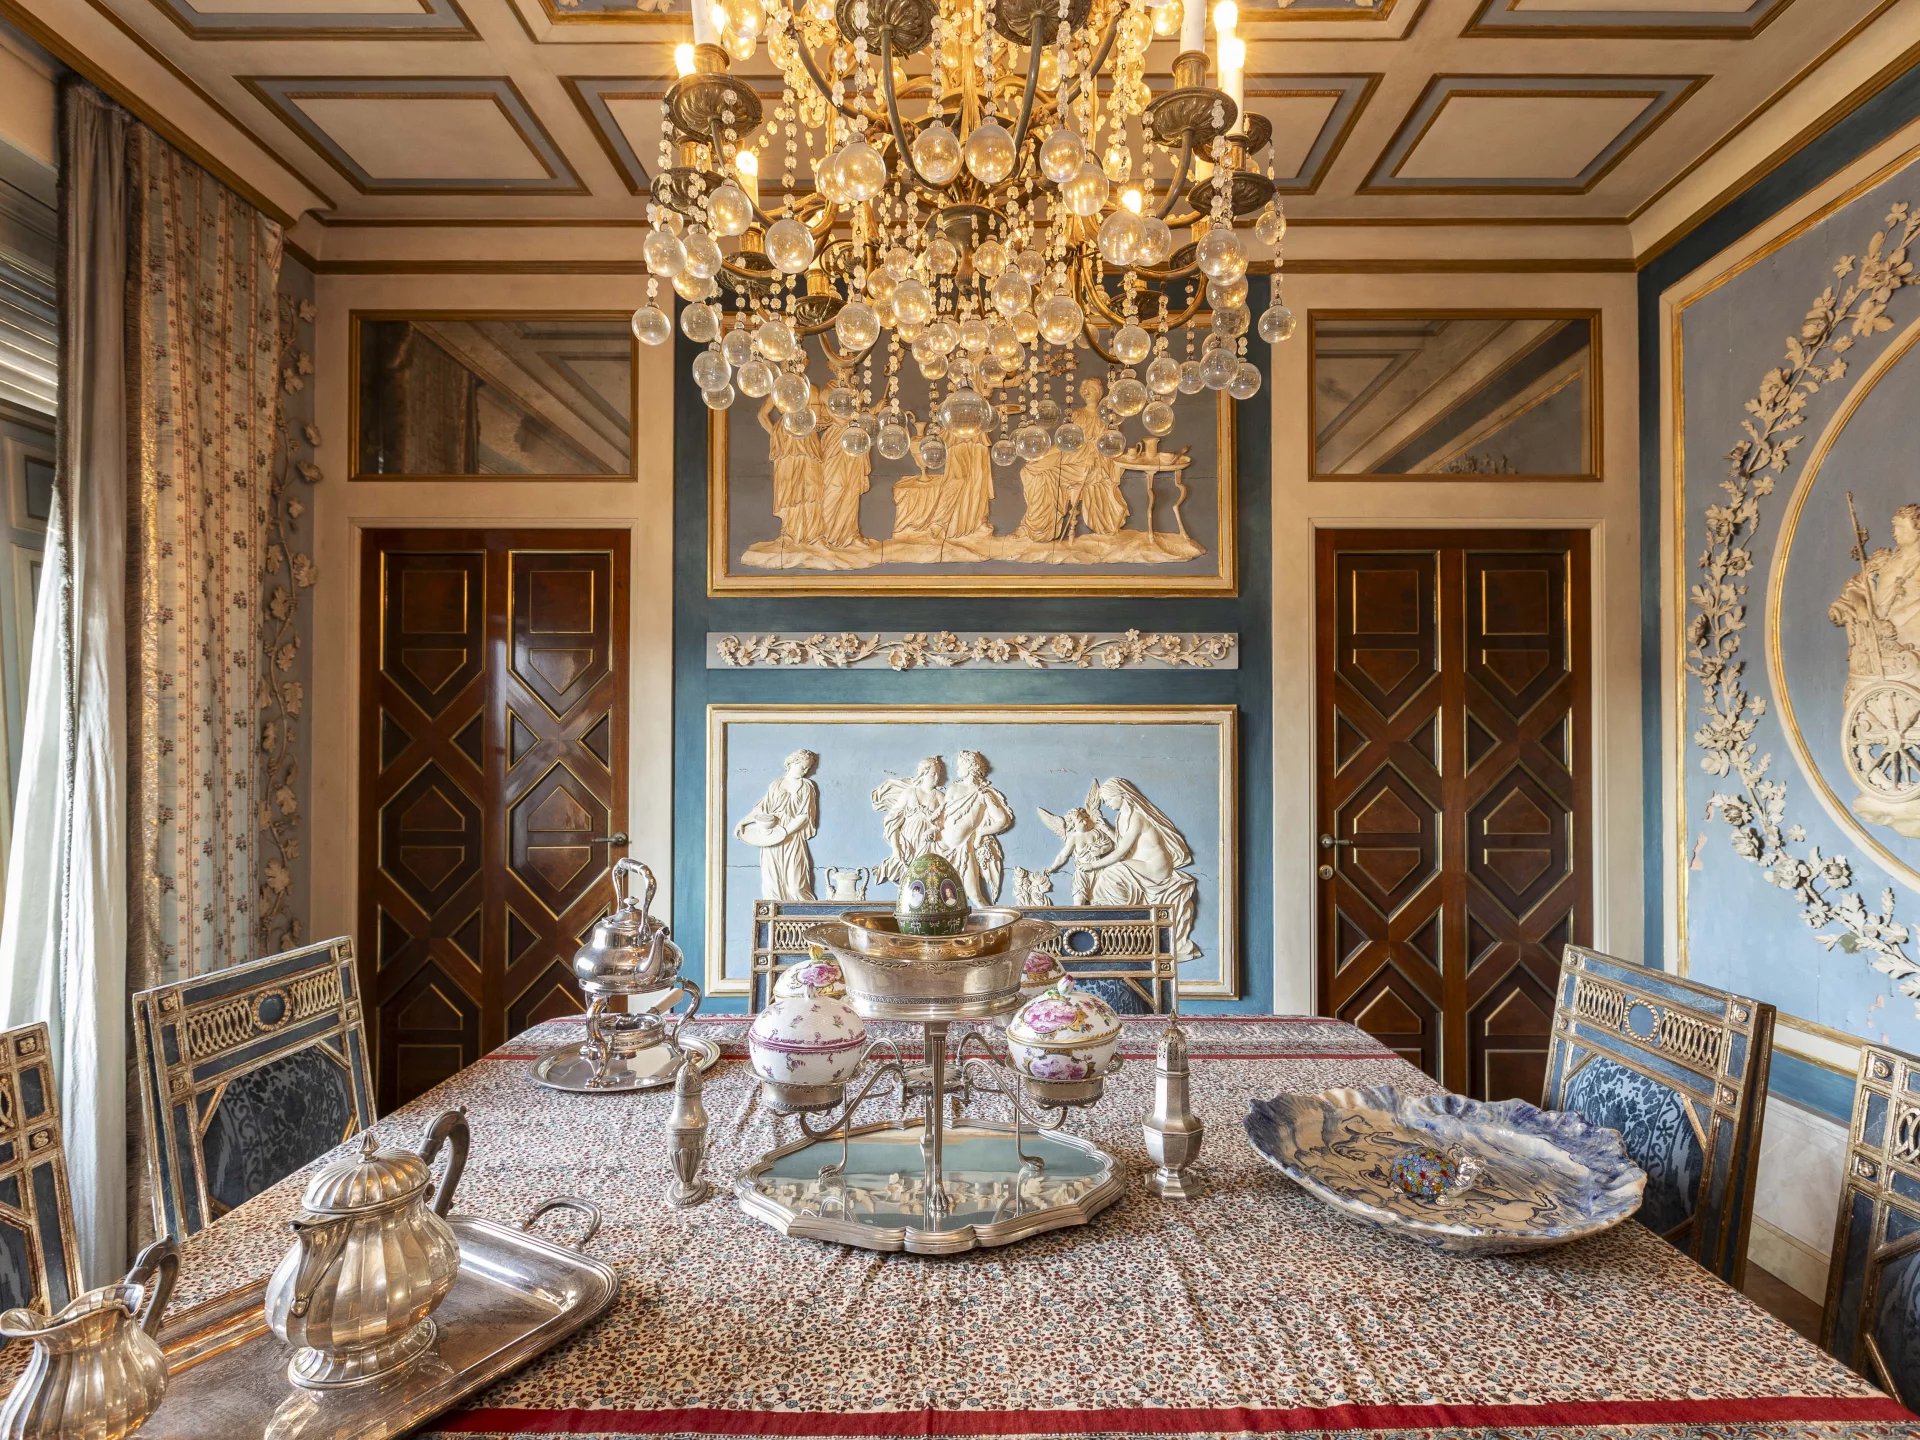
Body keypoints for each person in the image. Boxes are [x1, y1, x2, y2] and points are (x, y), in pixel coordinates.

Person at [1077, 777, 1201, 960]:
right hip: (1142, 865)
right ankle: (1122, 925)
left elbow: (1121, 853)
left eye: (1109, 799)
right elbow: (1126, 846)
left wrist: (1092, 865)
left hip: (1156, 867)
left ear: (1122, 795)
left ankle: (1126, 924)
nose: (1107, 804)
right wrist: (1107, 829)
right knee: (1108, 878)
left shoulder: (1137, 816)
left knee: (1111, 874)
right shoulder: (1122, 816)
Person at [733, 750, 820, 900]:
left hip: (792, 836)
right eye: (803, 766)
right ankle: (774, 914)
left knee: (796, 885)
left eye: (808, 768)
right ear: (793, 763)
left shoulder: (807, 786)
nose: (806, 771)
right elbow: (762, 809)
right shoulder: (776, 784)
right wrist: (743, 822)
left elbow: (804, 816)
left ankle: (803, 913)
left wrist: (784, 832)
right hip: (771, 835)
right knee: (772, 882)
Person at [937, 750, 1014, 906]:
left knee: (975, 896)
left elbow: (1003, 820)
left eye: (960, 764)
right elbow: (941, 816)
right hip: (941, 846)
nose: (957, 768)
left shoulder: (983, 794)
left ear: (971, 766)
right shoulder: (953, 788)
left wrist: (980, 832)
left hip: (963, 850)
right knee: (937, 897)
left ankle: (994, 922)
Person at [871, 756, 946, 884]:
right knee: (906, 876)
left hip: (927, 843)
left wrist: (935, 829)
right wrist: (896, 848)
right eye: (933, 774)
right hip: (907, 842)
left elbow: (946, 821)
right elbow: (893, 821)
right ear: (923, 774)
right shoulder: (910, 793)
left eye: (938, 774)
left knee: (926, 879)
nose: (937, 777)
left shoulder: (939, 796)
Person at [760, 395, 823, 545]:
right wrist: (776, 434)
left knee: (812, 484)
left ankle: (812, 534)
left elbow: (820, 415)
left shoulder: (810, 390)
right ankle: (790, 532)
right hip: (787, 439)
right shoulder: (779, 390)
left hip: (807, 437)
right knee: (789, 485)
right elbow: (762, 415)